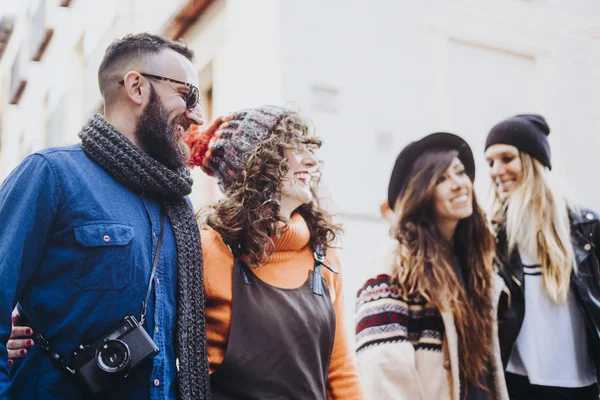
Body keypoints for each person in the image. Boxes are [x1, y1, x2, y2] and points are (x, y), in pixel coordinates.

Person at [0, 33, 210, 399]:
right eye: (188, 94)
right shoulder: (50, 174)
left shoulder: (178, 204)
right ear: (137, 87)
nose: (197, 115)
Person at [182, 105, 365, 399]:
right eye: (293, 148)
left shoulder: (324, 257)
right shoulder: (208, 250)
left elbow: (340, 371)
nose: (311, 161)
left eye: (309, 149)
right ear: (256, 165)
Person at [355, 133, 509, 400]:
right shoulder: (393, 264)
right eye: (442, 179)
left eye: (460, 172)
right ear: (422, 193)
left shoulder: (479, 265)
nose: (459, 184)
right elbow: (383, 369)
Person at [485, 114, 600, 399]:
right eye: (490, 162)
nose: (496, 170)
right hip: (517, 384)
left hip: (581, 386)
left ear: (534, 161)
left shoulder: (586, 228)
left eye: (507, 158)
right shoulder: (492, 234)